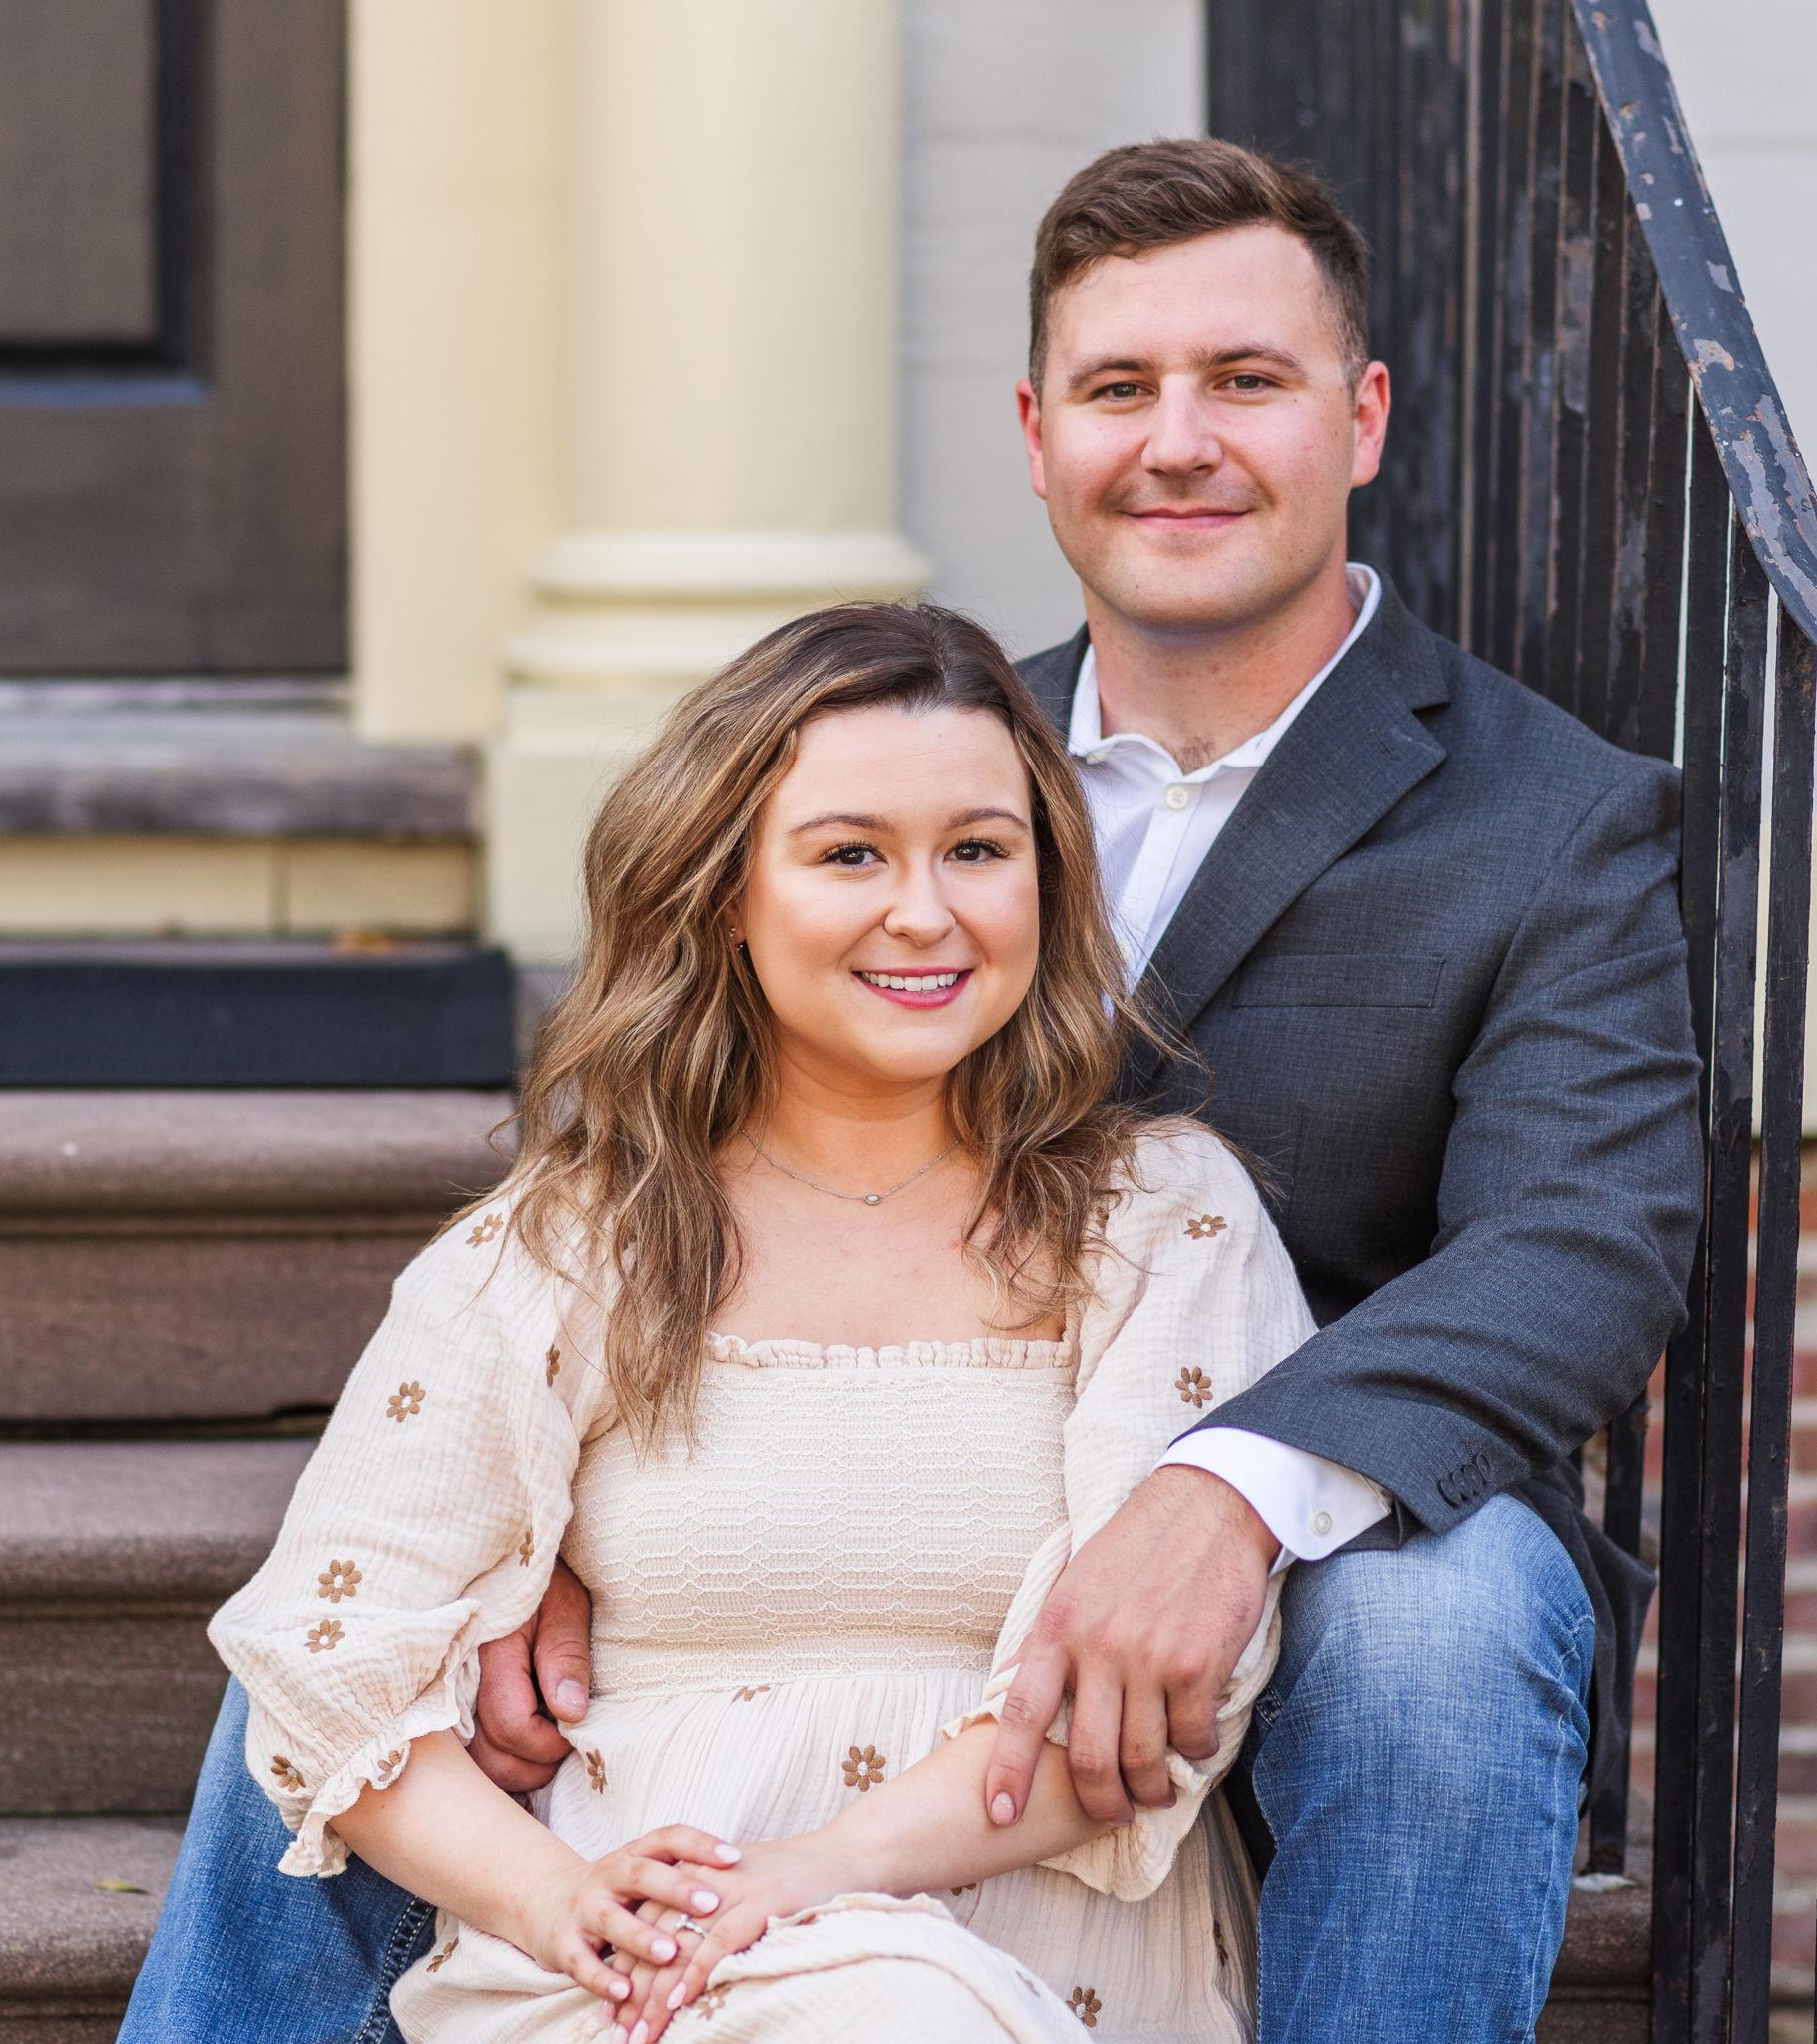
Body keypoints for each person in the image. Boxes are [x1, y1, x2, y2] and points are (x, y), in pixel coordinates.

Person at [125, 138, 1701, 2043]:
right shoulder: (924, 741)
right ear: (1038, 439)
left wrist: (1231, 1489)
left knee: (1441, 1625)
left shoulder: (1548, 817)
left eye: (1248, 382)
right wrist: (567, 1497)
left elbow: (1580, 1243)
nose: (1178, 441)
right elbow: (675, 1089)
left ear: (1362, 419)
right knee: (364, 1635)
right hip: (798, 1532)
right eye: (1121, 390)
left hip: (1309, 1539)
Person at [198, 601, 1314, 2044]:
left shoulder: (1163, 1218)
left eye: (978, 850)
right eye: (851, 853)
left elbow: (1160, 1692)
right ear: (728, 894)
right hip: (640, 1977)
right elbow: (326, 1648)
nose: (926, 912)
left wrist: (808, 1881)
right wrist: (559, 1901)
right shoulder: (581, 1233)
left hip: (1033, 1972)